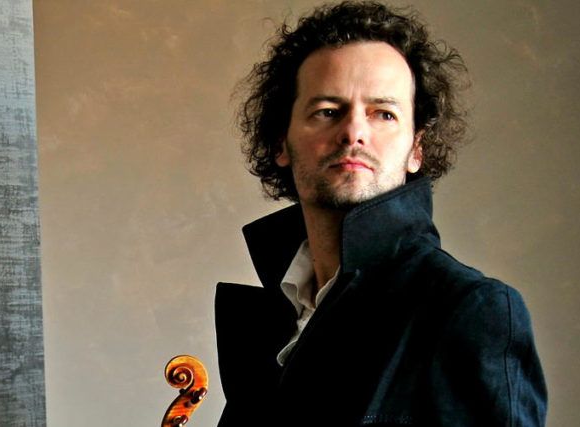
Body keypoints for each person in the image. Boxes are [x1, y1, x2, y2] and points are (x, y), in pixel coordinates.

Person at [214, 2, 547, 425]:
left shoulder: (470, 310)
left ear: (417, 149)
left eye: (383, 114)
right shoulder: (278, 319)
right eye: (327, 111)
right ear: (281, 142)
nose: (354, 131)